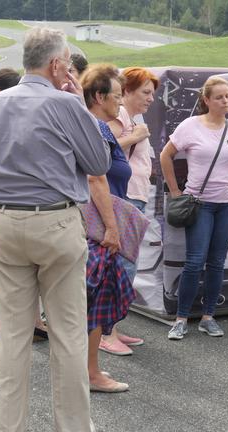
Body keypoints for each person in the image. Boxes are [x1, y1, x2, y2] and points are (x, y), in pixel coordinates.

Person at [0, 26, 110, 432]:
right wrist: (79, 100)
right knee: (67, 334)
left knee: (13, 337)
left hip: (5, 221)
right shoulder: (66, 104)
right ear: (58, 64)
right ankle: (75, 431)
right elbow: (98, 161)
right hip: (56, 221)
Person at [160, 75, 228, 340]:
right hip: (199, 203)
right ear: (206, 100)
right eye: (219, 97)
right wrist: (176, 191)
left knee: (216, 262)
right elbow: (165, 155)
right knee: (194, 261)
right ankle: (181, 319)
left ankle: (208, 317)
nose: (225, 101)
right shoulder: (190, 126)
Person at [0, 67, 50, 350]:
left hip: (2, 206)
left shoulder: (1, 117)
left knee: (20, 270)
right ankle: (4, 328)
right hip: (6, 206)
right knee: (7, 269)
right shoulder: (1, 118)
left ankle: (28, 323)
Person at [98, 66, 159, 356]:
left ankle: (112, 328)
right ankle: (105, 332)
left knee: (126, 265)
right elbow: (105, 151)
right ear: (128, 91)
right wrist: (135, 137)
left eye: (152, 93)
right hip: (124, 198)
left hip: (135, 196)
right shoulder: (120, 118)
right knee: (120, 267)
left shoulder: (134, 118)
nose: (150, 98)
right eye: (145, 92)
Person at [80, 63, 134, 392]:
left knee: (85, 303)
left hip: (92, 224)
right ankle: (90, 373)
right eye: (116, 97)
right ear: (99, 97)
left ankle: (85, 370)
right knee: (94, 302)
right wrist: (112, 230)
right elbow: (95, 178)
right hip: (98, 227)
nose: (120, 103)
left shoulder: (89, 124)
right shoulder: (98, 128)